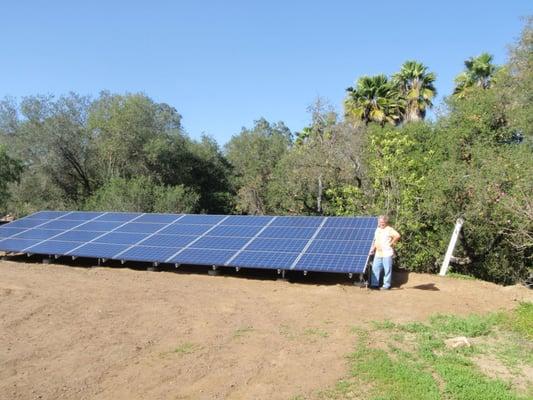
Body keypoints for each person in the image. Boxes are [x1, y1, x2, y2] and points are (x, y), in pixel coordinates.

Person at [369, 215, 400, 290]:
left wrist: (391, 243)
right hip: (378, 253)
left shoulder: (389, 229)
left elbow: (397, 235)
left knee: (387, 269)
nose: (381, 223)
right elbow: (376, 241)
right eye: (380, 222)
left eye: (383, 222)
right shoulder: (377, 230)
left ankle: (386, 285)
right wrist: (373, 248)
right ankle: (374, 284)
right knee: (375, 268)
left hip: (387, 253)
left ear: (386, 222)